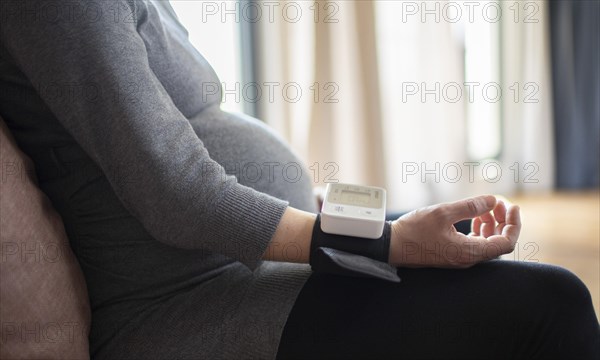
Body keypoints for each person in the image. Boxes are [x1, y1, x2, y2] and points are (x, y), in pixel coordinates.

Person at [1, 1, 598, 359]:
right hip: (186, 300)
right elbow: (174, 192)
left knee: (463, 235)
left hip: (237, 263)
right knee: (553, 303)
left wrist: (351, 216)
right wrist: (388, 241)